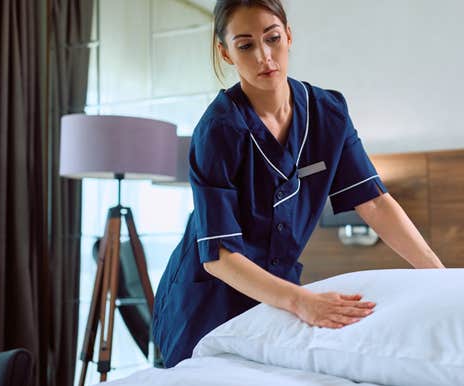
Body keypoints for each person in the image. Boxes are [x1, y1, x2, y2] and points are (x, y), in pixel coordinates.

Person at [152, 0, 445, 368]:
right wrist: (300, 301)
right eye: (245, 45)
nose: (264, 56)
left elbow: (374, 202)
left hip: (279, 296)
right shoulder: (218, 131)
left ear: (288, 36)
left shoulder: (328, 114)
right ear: (225, 52)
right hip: (206, 304)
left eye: (272, 38)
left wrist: (439, 277)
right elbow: (219, 257)